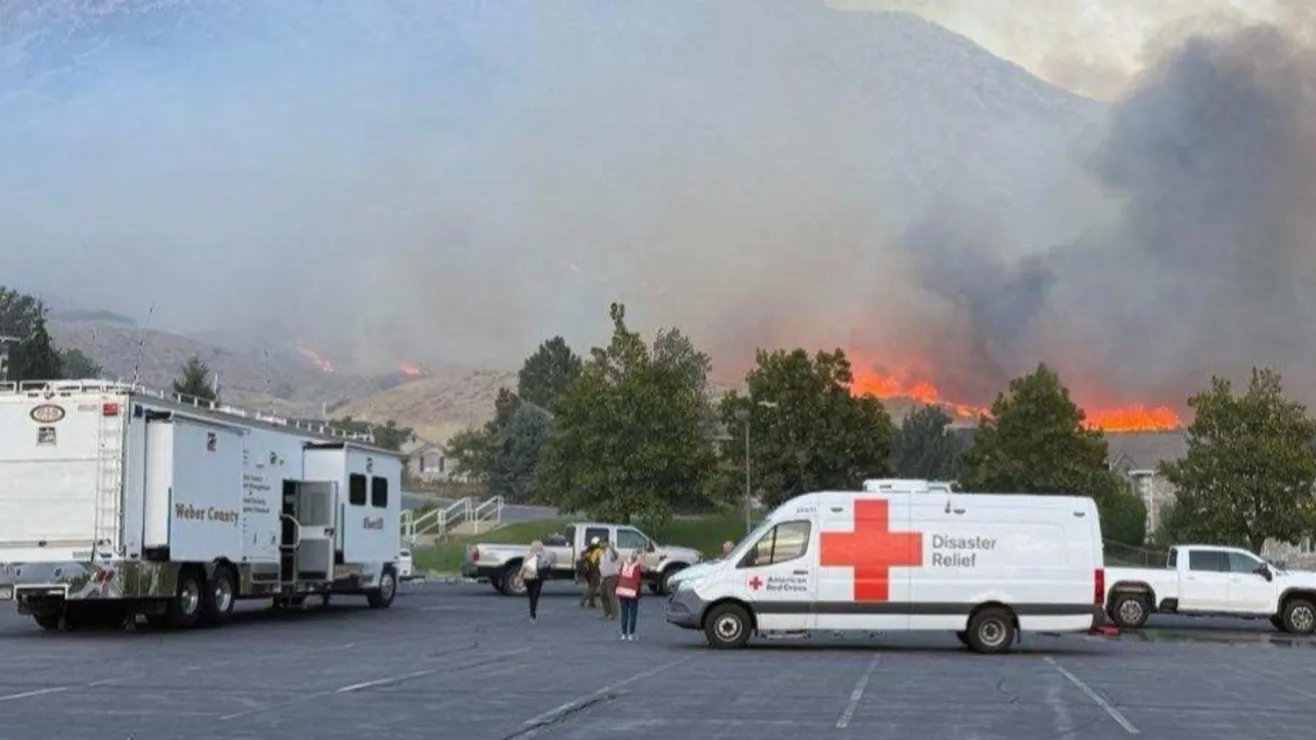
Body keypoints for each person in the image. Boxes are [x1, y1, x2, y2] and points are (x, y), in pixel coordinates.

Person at [615, 551, 644, 641]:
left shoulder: (624, 564)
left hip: (622, 590)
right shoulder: (636, 566)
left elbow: (619, 576)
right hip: (632, 592)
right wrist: (639, 592)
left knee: (624, 613)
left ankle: (623, 634)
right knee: (633, 614)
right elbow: (638, 580)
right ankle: (631, 634)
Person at [522, 540, 550, 623]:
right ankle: (532, 614)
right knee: (534, 597)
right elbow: (547, 568)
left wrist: (519, 576)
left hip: (528, 579)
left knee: (531, 596)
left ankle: (532, 612)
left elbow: (524, 567)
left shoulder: (527, 556)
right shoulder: (544, 557)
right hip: (537, 579)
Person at [597, 540, 620, 620]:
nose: (601, 544)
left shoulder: (609, 551)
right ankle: (607, 613)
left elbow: (616, 556)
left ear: (606, 543)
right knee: (602, 594)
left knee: (610, 593)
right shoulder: (601, 553)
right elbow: (602, 566)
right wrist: (601, 577)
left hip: (612, 575)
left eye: (603, 542)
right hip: (604, 576)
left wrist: (612, 549)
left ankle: (614, 614)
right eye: (600, 543)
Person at [579, 537, 603, 608]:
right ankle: (583, 600)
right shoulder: (598, 550)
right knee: (593, 587)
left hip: (588, 572)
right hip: (595, 570)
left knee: (592, 586)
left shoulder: (588, 550)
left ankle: (591, 603)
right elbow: (601, 560)